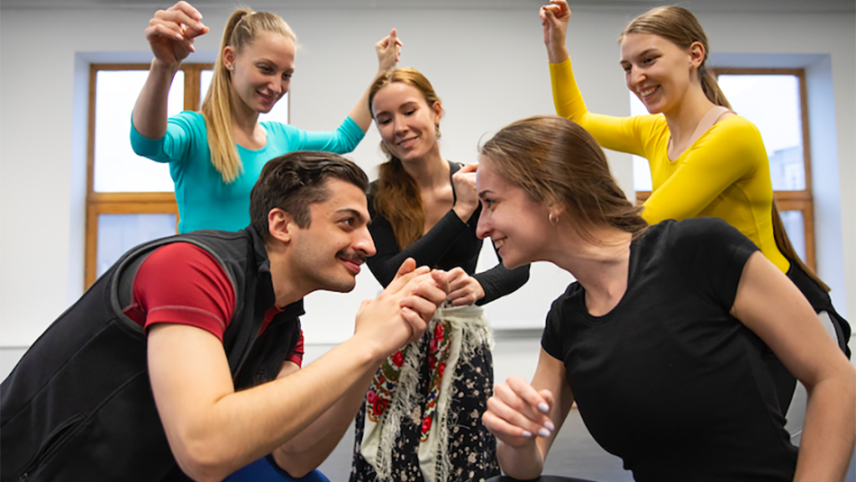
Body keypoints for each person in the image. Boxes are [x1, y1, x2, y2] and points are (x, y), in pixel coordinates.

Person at [0, 151, 450, 482]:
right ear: (282, 225)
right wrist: (362, 345)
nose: (369, 246)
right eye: (348, 222)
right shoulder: (191, 267)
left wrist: (372, 353)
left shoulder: (283, 321)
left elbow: (294, 454)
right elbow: (206, 447)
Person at [475, 115, 856, 481]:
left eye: (491, 202)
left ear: (553, 195)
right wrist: (518, 439)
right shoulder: (565, 321)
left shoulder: (696, 251)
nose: (481, 228)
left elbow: (834, 378)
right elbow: (526, 464)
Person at [539, 0, 850, 418]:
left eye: (648, 60)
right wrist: (556, 45)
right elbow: (577, 118)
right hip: (726, 305)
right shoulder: (653, 131)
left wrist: (554, 214)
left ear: (694, 55)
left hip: (784, 311)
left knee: (763, 450)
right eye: (627, 67)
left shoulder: (732, 136)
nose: (637, 77)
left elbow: (647, 223)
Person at [349, 68, 530, 482]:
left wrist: (482, 285)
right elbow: (393, 275)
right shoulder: (375, 196)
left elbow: (520, 263)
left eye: (409, 111)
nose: (399, 127)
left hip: (460, 349)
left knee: (460, 461)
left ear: (436, 111)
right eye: (385, 118)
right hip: (394, 341)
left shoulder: (478, 180)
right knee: (386, 462)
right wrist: (460, 212)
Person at [131, 1, 401, 233]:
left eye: (286, 75)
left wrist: (383, 72)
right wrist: (164, 66)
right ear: (229, 58)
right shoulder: (196, 130)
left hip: (262, 283)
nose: (276, 86)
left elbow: (344, 139)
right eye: (265, 68)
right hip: (206, 283)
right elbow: (146, 143)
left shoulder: (281, 138)